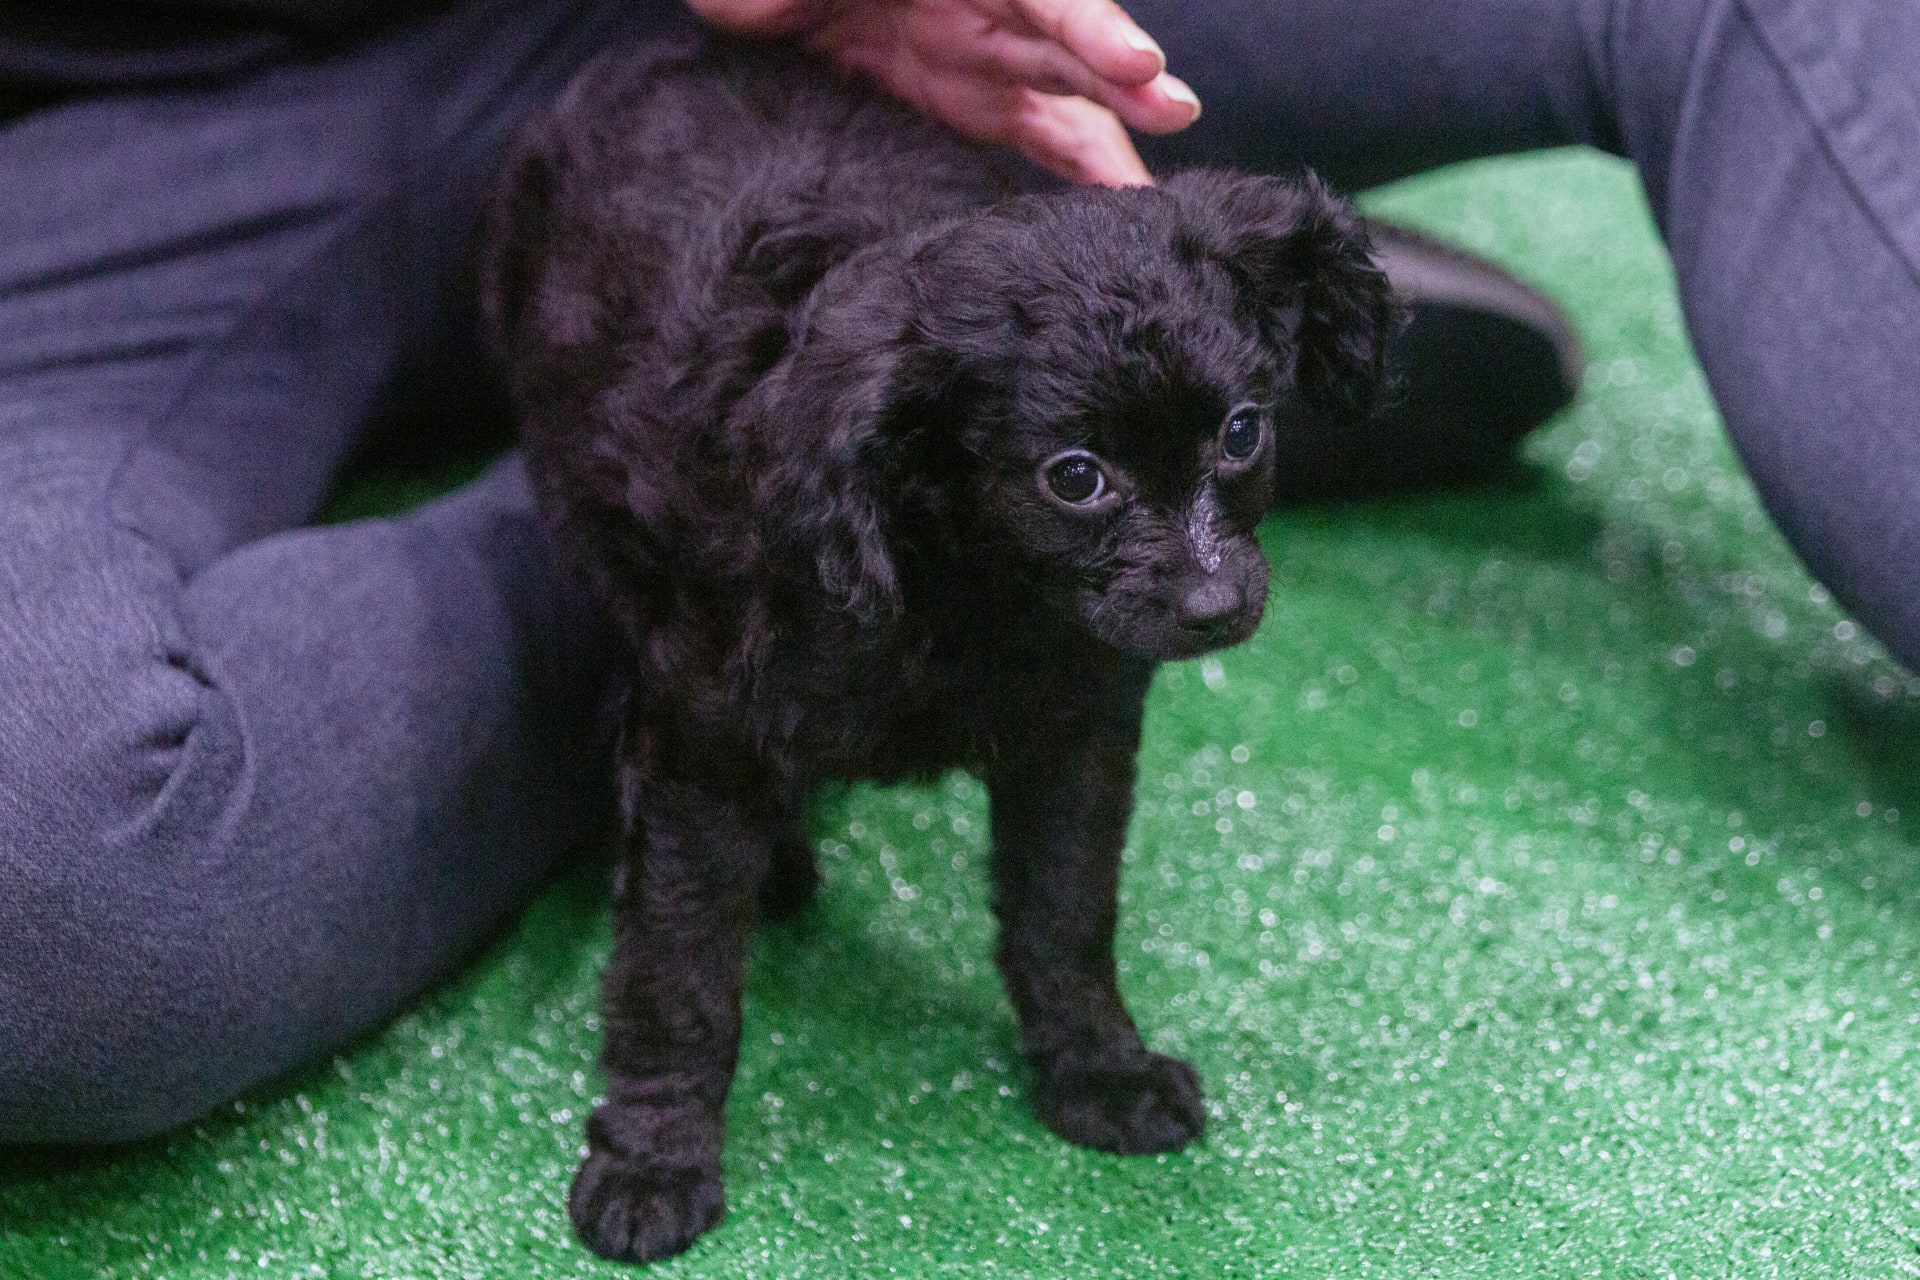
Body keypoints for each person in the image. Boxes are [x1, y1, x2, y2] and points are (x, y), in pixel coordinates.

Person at [1, 0, 1908, 1145]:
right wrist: (693, 481)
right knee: (64, 891)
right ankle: (868, 473)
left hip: (818, 36)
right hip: (126, 150)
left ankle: (1188, 388)